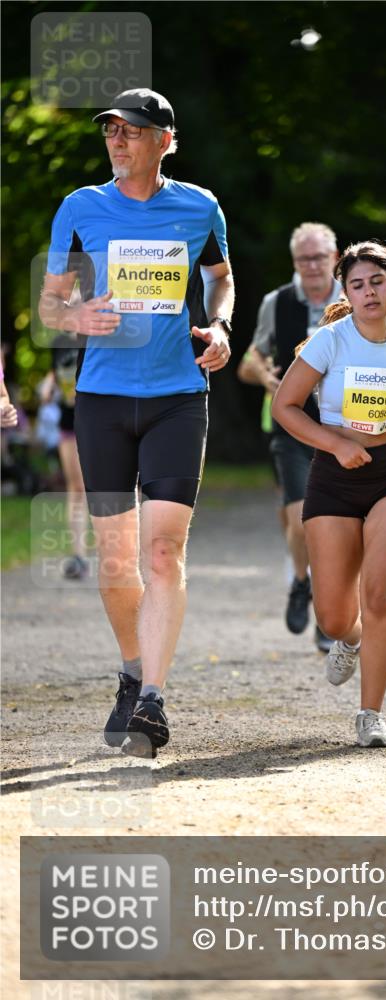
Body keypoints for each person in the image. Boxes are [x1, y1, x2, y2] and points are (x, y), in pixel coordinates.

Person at [38, 89, 234, 757]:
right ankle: (130, 670)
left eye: (133, 131)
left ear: (164, 141)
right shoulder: (80, 207)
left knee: (162, 552)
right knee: (118, 557)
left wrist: (222, 322)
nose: (118, 141)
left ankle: (152, 697)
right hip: (102, 399)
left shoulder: (198, 206)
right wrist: (75, 318)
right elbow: (49, 306)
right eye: (111, 131)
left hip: (179, 393)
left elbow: (220, 275)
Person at [272, 241, 386, 747]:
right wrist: (333, 443)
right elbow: (284, 406)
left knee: (381, 596)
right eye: (357, 284)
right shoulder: (329, 341)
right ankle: (349, 639)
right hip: (333, 477)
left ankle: (371, 713)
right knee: (332, 615)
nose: (369, 291)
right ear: (346, 294)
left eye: (377, 281)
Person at [237, 222, 342, 652]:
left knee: (334, 525)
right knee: (300, 520)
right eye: (304, 259)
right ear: (294, 262)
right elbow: (248, 362)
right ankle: (302, 583)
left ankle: (328, 608)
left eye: (319, 257)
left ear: (335, 258)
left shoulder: (355, 299)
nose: (313, 266)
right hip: (292, 426)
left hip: (343, 428)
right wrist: (266, 377)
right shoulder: (275, 303)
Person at [39, 333, 90, 579]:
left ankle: (121, 554)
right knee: (76, 487)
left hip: (98, 421)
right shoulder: (59, 341)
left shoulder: (97, 332)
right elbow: (56, 372)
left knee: (106, 487)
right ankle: (79, 556)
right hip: (68, 423)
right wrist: (48, 385)